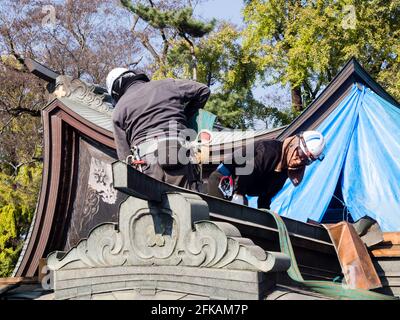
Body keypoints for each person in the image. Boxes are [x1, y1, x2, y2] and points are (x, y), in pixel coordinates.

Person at [106, 67, 210, 190]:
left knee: (153, 207)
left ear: (116, 92)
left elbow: (125, 160)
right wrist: (184, 118)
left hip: (147, 163)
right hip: (179, 151)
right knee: (188, 203)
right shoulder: (167, 84)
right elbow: (203, 90)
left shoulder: (118, 110)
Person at [207, 131, 326, 209]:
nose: (300, 160)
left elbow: (266, 197)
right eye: (301, 154)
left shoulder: (283, 172)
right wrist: (239, 193)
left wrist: (265, 215)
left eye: (306, 160)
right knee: (218, 218)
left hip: (238, 190)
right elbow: (248, 169)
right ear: (294, 145)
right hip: (223, 181)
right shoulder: (270, 150)